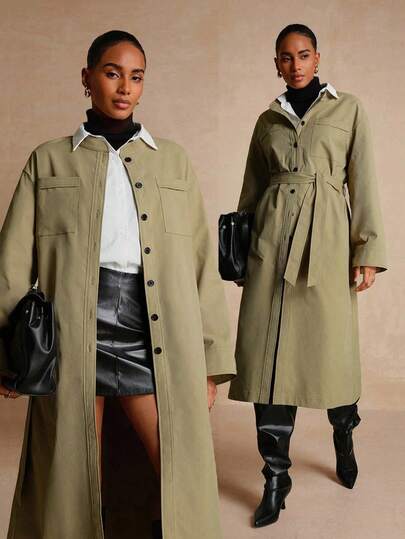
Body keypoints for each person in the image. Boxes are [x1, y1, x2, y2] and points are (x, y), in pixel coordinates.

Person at [0, 30, 236, 539]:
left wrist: (211, 362)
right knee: (74, 464)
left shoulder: (172, 161)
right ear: (87, 79)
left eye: (136, 77)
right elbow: (11, 264)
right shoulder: (48, 159)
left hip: (151, 326)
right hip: (72, 329)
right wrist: (8, 355)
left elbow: (201, 263)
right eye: (112, 73)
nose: (125, 87)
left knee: (175, 459)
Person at [228, 23, 387, 528]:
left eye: (303, 55)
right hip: (271, 248)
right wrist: (240, 255)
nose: (295, 64)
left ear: (317, 58)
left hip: (327, 246)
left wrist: (366, 251)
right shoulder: (267, 120)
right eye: (285, 56)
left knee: (332, 353)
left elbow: (363, 182)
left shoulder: (348, 109)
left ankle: (344, 434)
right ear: (276, 63)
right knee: (268, 362)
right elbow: (251, 191)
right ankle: (276, 477)